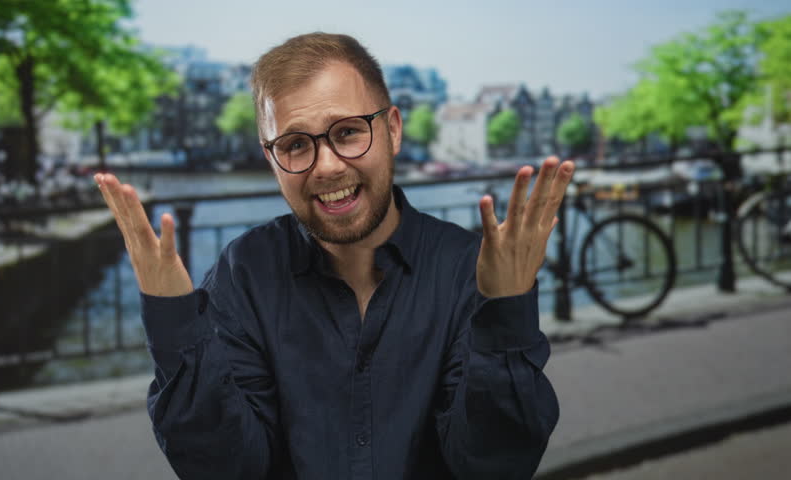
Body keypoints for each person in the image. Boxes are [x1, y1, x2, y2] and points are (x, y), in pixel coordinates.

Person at [94, 32, 573, 480]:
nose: (326, 166)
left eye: (347, 133)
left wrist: (505, 312)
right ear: (272, 161)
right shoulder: (244, 273)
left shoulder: (467, 270)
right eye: (296, 145)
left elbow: (493, 466)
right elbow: (228, 468)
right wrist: (177, 326)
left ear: (393, 130)